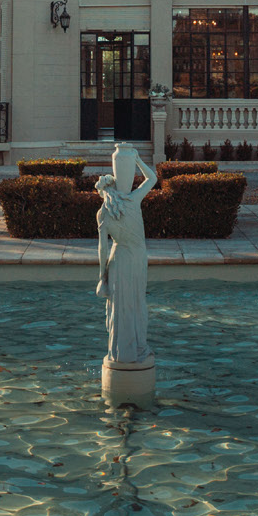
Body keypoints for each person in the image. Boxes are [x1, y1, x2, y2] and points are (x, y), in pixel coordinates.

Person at [94, 142, 159, 366]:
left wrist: (102, 276)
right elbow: (152, 179)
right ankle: (138, 348)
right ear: (129, 173)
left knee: (118, 308)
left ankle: (119, 352)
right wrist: (139, 160)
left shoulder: (103, 213)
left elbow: (102, 249)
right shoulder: (134, 199)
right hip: (137, 257)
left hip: (117, 259)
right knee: (136, 303)